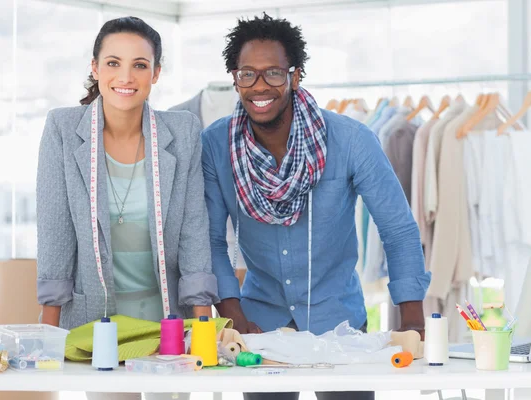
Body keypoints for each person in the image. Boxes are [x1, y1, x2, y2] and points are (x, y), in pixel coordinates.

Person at [201, 14, 431, 400]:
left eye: (273, 73)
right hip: (260, 325)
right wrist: (234, 315)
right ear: (235, 78)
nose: (260, 86)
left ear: (295, 76)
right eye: (247, 74)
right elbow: (209, 240)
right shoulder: (215, 145)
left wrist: (412, 320)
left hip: (339, 319)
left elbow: (397, 228)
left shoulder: (351, 139)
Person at [36, 16, 218, 400]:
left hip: (166, 320)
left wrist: (204, 335)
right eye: (113, 62)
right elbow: (55, 229)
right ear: (95, 68)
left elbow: (193, 230)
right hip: (99, 321)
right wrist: (47, 339)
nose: (126, 76)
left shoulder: (182, 132)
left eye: (140, 65)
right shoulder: (63, 129)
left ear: (156, 74)